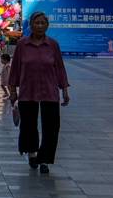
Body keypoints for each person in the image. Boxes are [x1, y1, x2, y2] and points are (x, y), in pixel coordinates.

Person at [7, 12, 70, 175]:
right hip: (28, 91)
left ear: (47, 25)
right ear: (31, 26)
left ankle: (45, 159)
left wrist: (65, 89)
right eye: (37, 23)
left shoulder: (53, 45)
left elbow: (60, 68)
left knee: (51, 127)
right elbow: (15, 69)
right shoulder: (22, 45)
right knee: (28, 125)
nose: (40, 26)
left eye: (43, 23)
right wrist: (13, 90)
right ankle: (32, 152)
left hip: (49, 91)